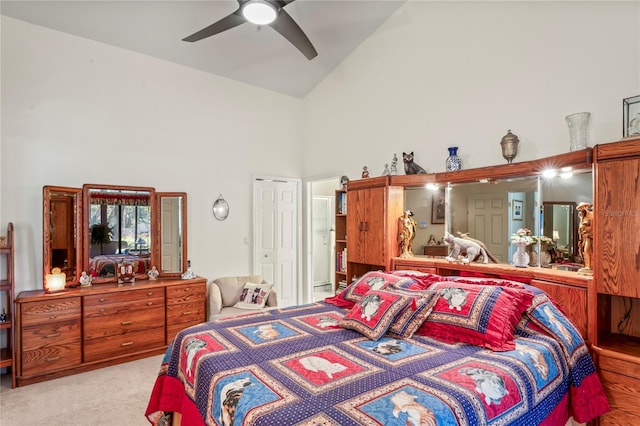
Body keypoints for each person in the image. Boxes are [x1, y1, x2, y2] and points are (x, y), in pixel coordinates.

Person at [577, 202, 593, 271]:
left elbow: (592, 226)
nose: (582, 209)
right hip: (583, 237)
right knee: (583, 251)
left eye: (584, 207)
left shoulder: (591, 215)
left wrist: (589, 233)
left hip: (589, 236)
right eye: (581, 208)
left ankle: (589, 266)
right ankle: (586, 265)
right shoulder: (582, 217)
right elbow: (580, 227)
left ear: (586, 207)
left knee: (587, 250)